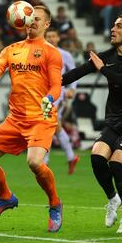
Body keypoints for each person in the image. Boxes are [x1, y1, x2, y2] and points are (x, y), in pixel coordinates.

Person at [0, 6, 63, 232]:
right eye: (30, 17)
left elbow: (56, 84)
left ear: (47, 25)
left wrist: (50, 98)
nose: (32, 21)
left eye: (37, 19)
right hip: (15, 119)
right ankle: (6, 197)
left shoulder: (51, 52)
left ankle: (55, 203)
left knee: (34, 162)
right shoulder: (11, 50)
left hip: (41, 117)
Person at [62, 14, 122, 233]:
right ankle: (113, 199)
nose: (113, 29)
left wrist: (103, 69)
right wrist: (44, 81)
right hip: (114, 121)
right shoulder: (107, 56)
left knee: (117, 164)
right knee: (97, 158)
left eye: (119, 26)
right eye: (113, 25)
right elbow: (75, 74)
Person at [44, 27, 80, 174]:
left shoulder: (65, 55)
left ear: (58, 38)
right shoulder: (41, 52)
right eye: (49, 37)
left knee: (47, 123)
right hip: (42, 91)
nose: (52, 39)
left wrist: (72, 89)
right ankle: (71, 157)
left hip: (57, 91)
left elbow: (74, 73)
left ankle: (44, 161)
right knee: (54, 125)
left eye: (54, 36)